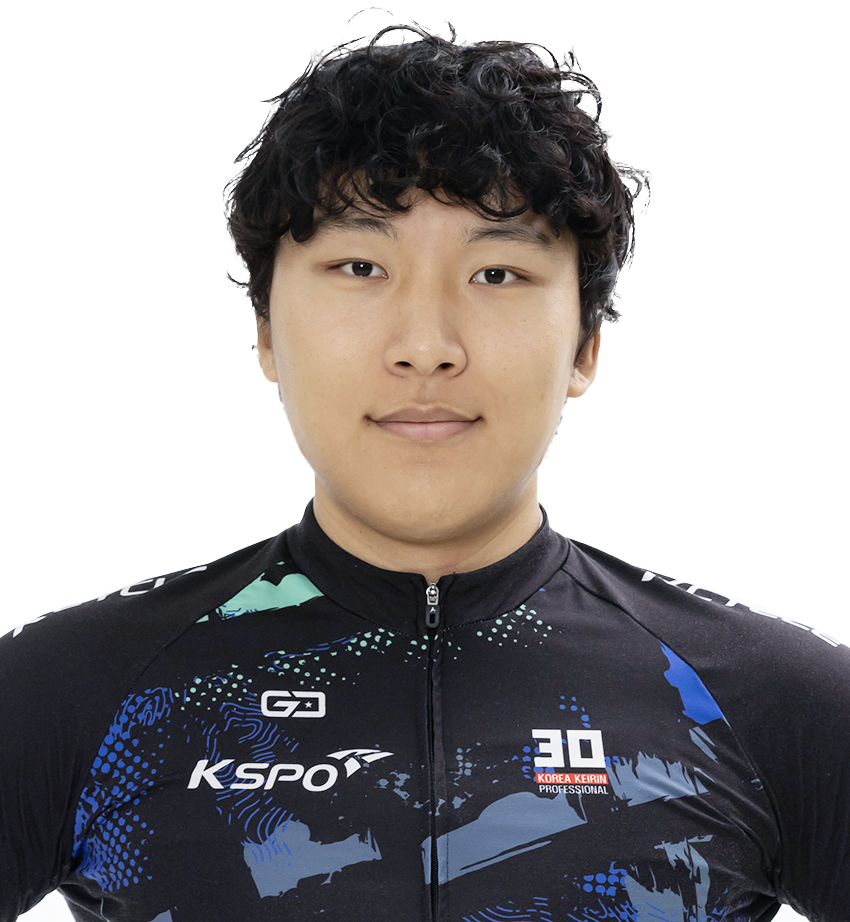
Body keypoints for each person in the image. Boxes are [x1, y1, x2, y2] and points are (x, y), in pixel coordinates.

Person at [1, 26, 847, 922]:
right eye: (360, 266)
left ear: (584, 346)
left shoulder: (770, 703)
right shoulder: (74, 691)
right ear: (265, 333)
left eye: (497, 272)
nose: (426, 347)